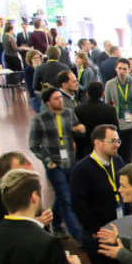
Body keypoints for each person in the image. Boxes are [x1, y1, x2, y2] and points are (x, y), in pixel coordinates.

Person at [70, 124, 129, 264]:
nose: (117, 145)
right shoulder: (82, 169)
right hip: (97, 233)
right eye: (112, 141)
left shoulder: (118, 161)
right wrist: (94, 229)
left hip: (119, 229)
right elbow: (77, 203)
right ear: (97, 142)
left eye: (118, 140)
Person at [29, 88, 86, 243]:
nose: (60, 100)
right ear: (47, 102)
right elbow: (33, 145)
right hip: (55, 165)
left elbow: (77, 131)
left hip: (70, 162)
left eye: (60, 97)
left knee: (63, 195)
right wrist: (48, 161)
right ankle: (78, 236)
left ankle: (55, 224)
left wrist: (80, 130)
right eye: (56, 98)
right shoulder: (39, 120)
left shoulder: (68, 113)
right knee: (66, 199)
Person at [74, 81, 120, 159]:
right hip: (104, 146)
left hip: (84, 147)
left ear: (87, 93)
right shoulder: (110, 109)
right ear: (103, 93)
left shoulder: (78, 109)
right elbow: (115, 129)